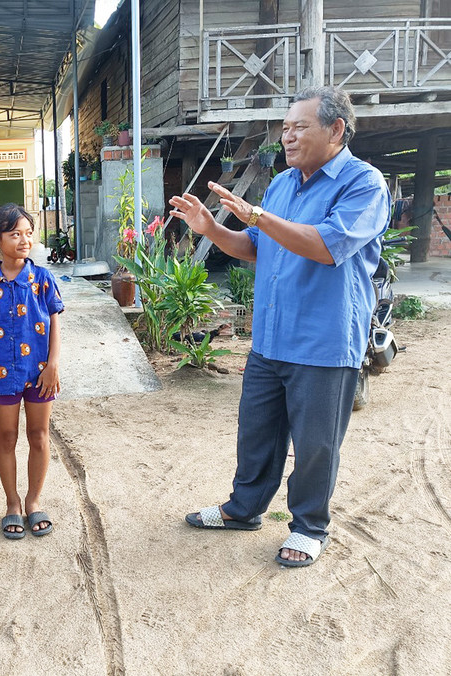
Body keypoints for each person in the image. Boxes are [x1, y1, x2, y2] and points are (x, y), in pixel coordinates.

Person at [169, 86, 391, 567]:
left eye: (299, 127)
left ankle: (309, 527)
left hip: (324, 339)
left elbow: (326, 245)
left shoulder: (363, 184)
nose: (288, 136)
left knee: (315, 444)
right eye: (285, 127)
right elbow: (253, 245)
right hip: (271, 337)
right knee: (257, 432)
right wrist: (211, 228)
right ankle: (243, 509)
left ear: (336, 129)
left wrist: (257, 216)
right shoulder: (283, 184)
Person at [0, 203, 64, 538]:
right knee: (7, 437)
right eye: (14, 234)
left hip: (40, 374)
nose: (24, 240)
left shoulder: (42, 278)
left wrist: (52, 365)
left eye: (27, 233)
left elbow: (54, 320)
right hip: (4, 375)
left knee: (39, 435)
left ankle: (34, 501)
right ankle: (12, 503)